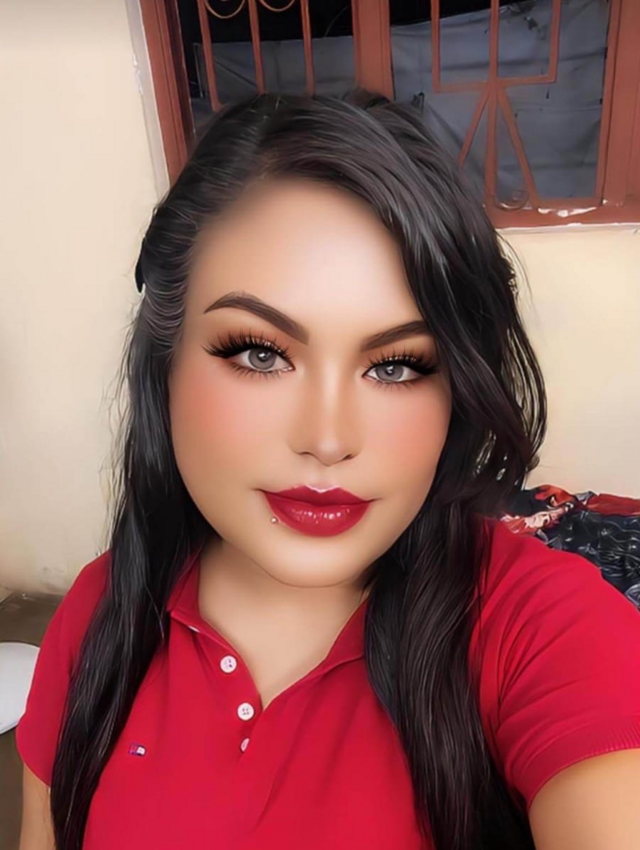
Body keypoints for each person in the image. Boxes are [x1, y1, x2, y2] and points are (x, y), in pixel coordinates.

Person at [16, 90, 640, 850]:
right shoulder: (99, 612)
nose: (328, 439)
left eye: (397, 366)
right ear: (165, 366)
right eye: (259, 354)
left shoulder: (541, 630)